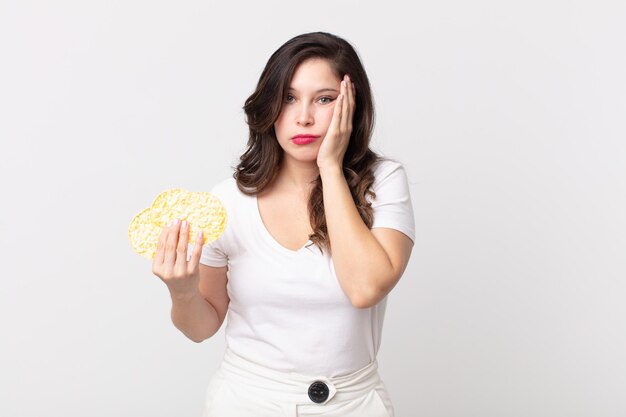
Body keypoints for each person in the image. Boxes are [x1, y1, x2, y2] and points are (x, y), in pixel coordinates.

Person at [151, 32, 415, 417]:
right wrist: (183, 292)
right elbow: (200, 327)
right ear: (270, 105)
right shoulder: (227, 201)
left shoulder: (384, 182)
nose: (303, 116)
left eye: (324, 99)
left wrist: (330, 168)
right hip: (247, 401)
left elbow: (365, 288)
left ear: (352, 107)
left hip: (354, 404)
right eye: (289, 98)